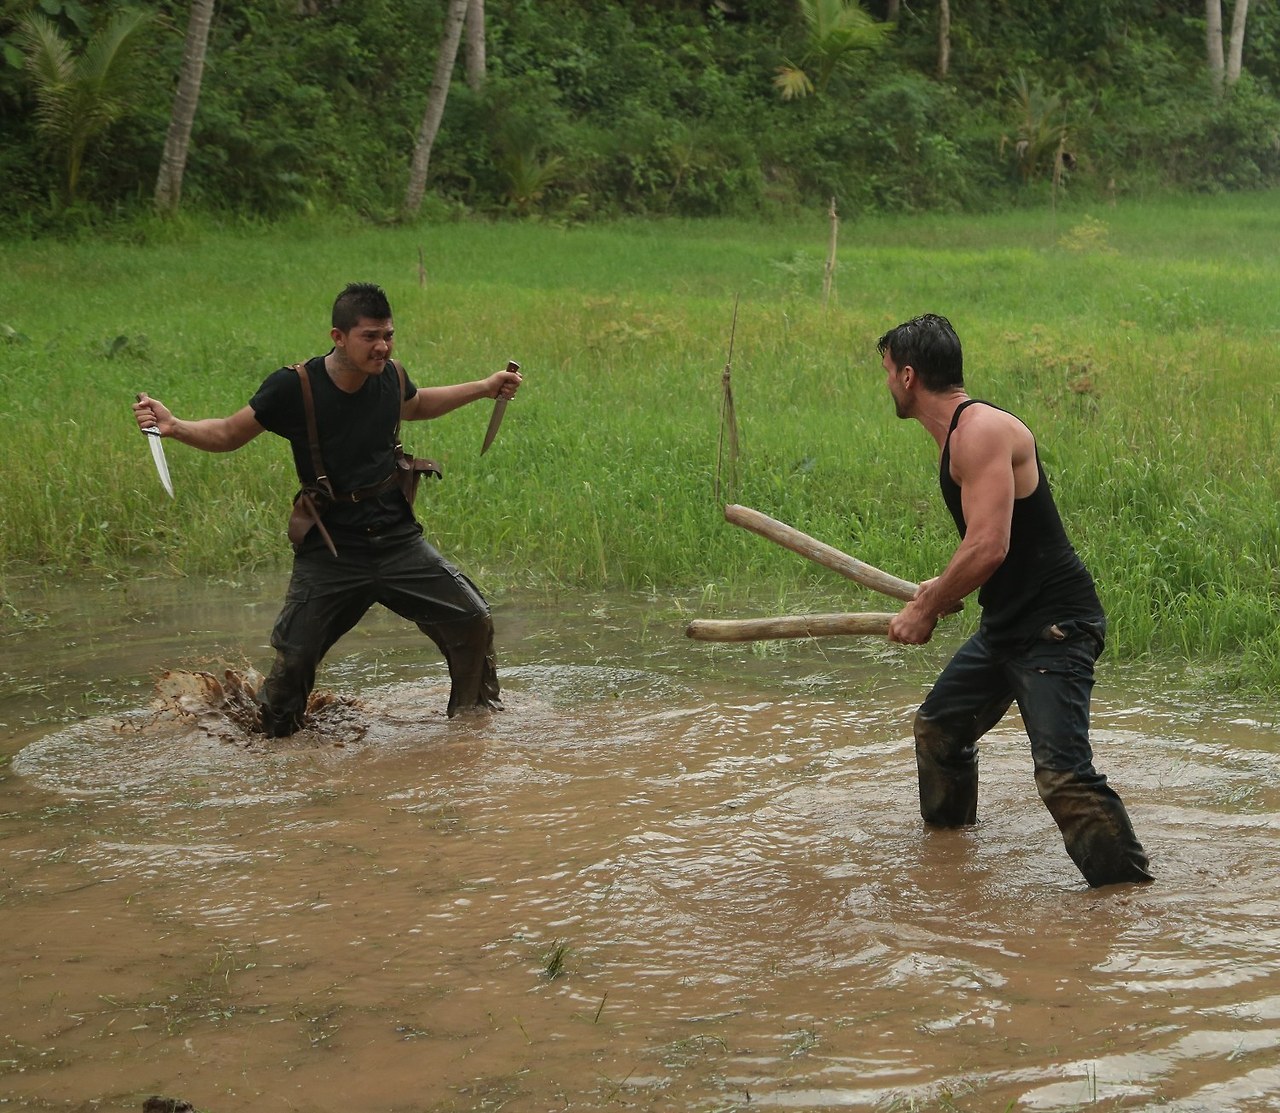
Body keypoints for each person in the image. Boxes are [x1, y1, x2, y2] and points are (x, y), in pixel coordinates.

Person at [132, 282, 523, 736]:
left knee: (471, 618)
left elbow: (415, 405)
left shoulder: (391, 376)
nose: (382, 347)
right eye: (370, 336)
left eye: (388, 335)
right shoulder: (293, 386)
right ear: (338, 337)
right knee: (295, 657)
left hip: (396, 540)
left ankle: (473, 728)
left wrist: (484, 387)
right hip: (332, 550)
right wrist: (174, 426)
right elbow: (227, 434)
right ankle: (274, 745)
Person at [877, 313, 1152, 887]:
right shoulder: (960, 433)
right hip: (1008, 623)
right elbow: (986, 546)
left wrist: (925, 608)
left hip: (1054, 626)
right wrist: (937, 588)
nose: (885, 386)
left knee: (1063, 778)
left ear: (907, 376)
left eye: (886, 374)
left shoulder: (979, 432)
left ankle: (1128, 901)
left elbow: (988, 546)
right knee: (938, 731)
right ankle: (949, 859)